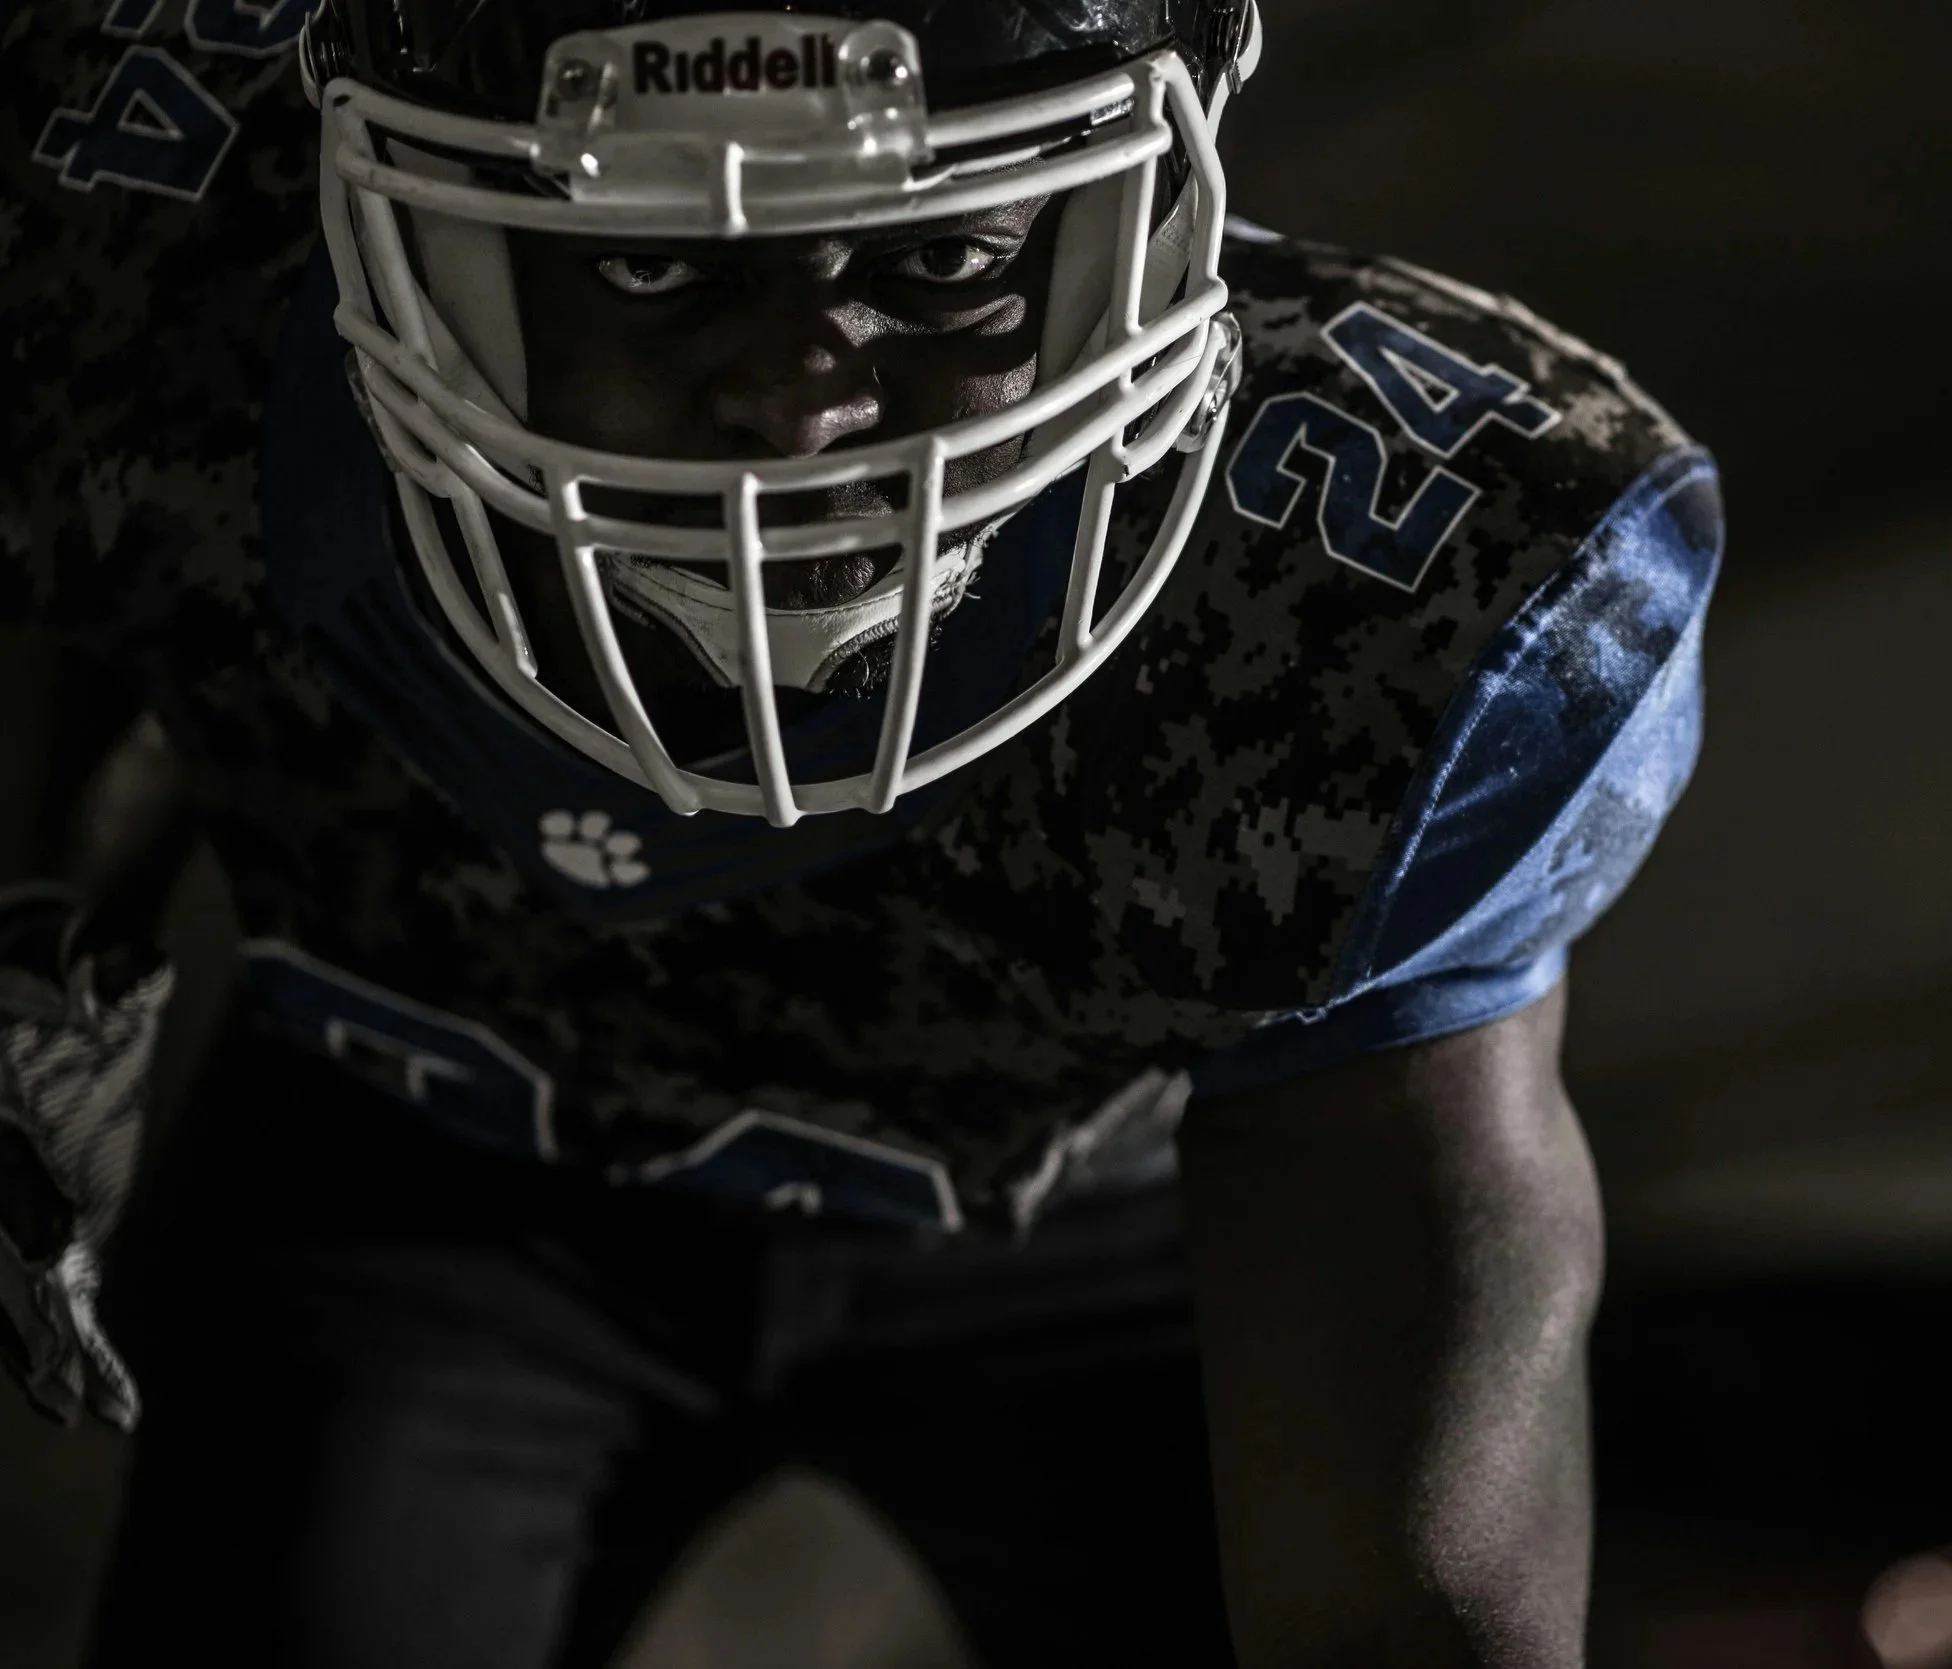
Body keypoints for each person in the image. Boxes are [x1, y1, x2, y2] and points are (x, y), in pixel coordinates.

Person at [0, 1, 1723, 1664]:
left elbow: (1392, 1621)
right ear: (388, 215)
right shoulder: (146, 233)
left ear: (1152, 205)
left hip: (1092, 1218)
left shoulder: (1401, 604)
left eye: (950, 257)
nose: (800, 400)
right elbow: (104, 536)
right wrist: (47, 915)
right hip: (420, 1140)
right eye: (652, 255)